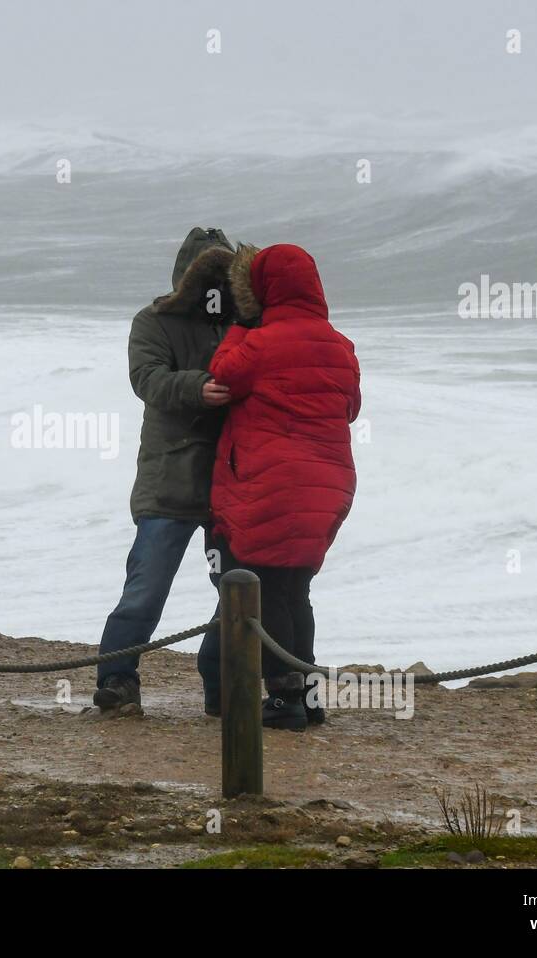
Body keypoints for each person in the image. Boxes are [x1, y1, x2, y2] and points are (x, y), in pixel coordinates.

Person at [197, 243, 361, 729]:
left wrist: (243, 323)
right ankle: (309, 697)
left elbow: (222, 375)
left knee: (264, 590)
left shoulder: (258, 342)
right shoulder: (340, 344)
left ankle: (285, 699)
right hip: (328, 484)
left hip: (270, 482)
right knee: (296, 590)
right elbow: (350, 407)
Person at [94, 227, 238, 712]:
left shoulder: (247, 321)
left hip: (232, 481)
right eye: (210, 277)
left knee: (238, 590)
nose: (216, 288)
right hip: (170, 478)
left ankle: (220, 682)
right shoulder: (152, 320)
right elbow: (147, 380)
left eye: (226, 277)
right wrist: (198, 388)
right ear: (188, 278)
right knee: (146, 588)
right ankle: (117, 680)